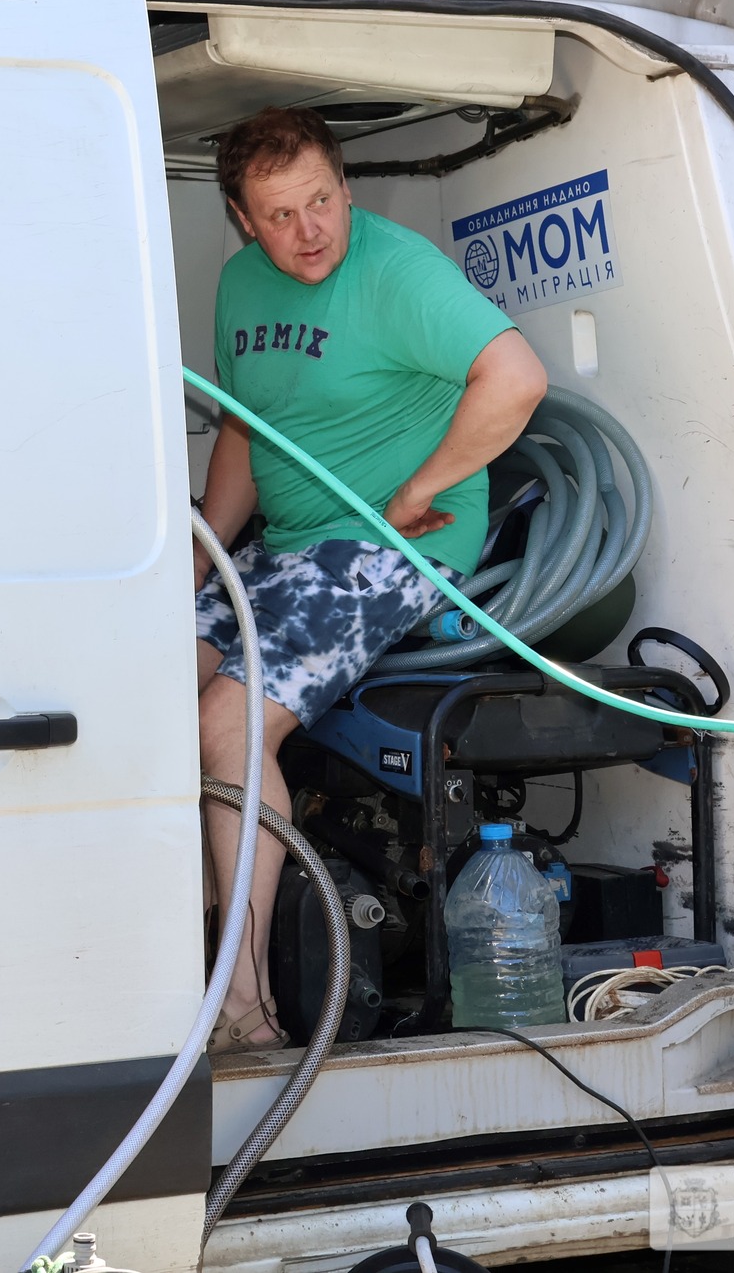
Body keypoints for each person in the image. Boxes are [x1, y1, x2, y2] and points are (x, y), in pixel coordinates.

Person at [195, 107, 548, 1052]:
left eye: (322, 200)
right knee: (146, 694)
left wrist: (422, 488)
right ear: (242, 220)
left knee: (228, 724)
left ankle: (244, 1006)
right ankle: (186, 943)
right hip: (284, 547)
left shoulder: (396, 272)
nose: (309, 230)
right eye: (280, 214)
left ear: (346, 187)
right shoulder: (238, 284)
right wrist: (201, 554)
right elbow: (243, 427)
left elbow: (517, 378)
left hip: (392, 545)